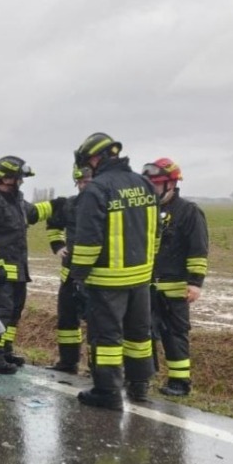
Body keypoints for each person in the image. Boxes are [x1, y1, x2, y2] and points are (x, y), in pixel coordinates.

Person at [68, 132, 159, 410]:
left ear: (96, 158)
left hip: (107, 282)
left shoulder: (97, 190)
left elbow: (87, 242)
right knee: (138, 335)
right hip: (141, 278)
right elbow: (155, 234)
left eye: (88, 163)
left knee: (106, 338)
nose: (87, 169)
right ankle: (140, 384)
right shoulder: (143, 184)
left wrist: (78, 275)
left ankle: (107, 392)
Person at [0, 156, 56, 375]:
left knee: (15, 312)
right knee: (0, 313)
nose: (22, 182)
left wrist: (59, 205)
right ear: (8, 179)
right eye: (19, 179)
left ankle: (5, 350)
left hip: (17, 271)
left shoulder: (17, 202)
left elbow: (34, 213)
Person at [143, 158, 208, 397]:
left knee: (174, 334)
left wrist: (195, 283)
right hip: (147, 286)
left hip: (176, 287)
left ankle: (180, 382)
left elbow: (198, 249)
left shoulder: (188, 211)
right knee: (144, 334)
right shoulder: (146, 211)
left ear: (170, 184)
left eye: (156, 184)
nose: (152, 189)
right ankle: (144, 378)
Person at [45, 166, 94, 374]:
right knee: (67, 322)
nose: (84, 185)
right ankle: (68, 362)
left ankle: (98, 367)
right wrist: (58, 246)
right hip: (69, 277)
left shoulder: (107, 205)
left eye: (88, 182)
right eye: (81, 182)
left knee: (97, 326)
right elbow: (53, 224)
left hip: (95, 278)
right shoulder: (70, 204)